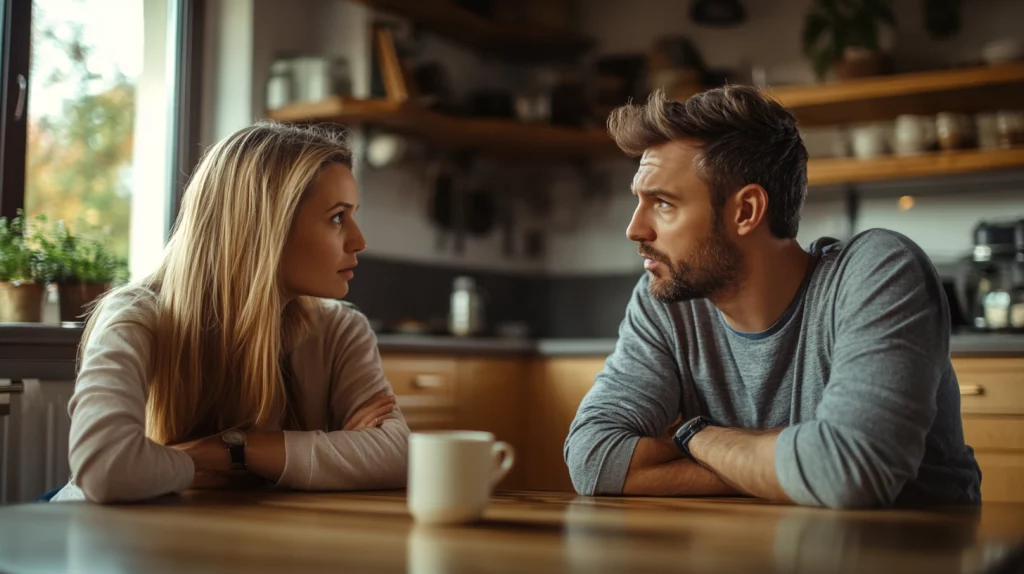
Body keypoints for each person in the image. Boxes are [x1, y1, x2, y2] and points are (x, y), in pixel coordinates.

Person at [564, 86, 981, 509]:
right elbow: (593, 458)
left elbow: (849, 473)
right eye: (640, 201)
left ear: (746, 211)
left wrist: (694, 435)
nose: (635, 229)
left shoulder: (878, 271)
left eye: (664, 203)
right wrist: (788, 469)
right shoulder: (667, 303)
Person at [51, 122, 409, 503]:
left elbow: (398, 454)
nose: (359, 240)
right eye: (338, 217)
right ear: (266, 224)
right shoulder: (135, 318)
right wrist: (323, 451)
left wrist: (231, 449)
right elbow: (104, 469)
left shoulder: (341, 329)